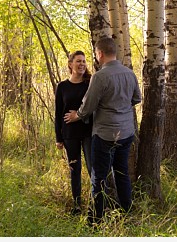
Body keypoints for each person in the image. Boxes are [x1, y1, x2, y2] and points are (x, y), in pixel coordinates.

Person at [65, 36, 141, 224]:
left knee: (98, 177)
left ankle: (95, 221)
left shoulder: (100, 76)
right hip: (126, 133)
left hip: (105, 134)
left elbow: (88, 106)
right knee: (121, 172)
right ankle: (126, 212)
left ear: (100, 54)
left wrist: (77, 115)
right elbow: (136, 99)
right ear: (114, 52)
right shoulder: (129, 73)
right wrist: (121, 106)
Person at [55, 50, 93, 213]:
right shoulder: (62, 86)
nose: (82, 64)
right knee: (74, 169)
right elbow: (58, 113)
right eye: (78, 61)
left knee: (93, 168)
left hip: (88, 131)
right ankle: (77, 205)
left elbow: (94, 107)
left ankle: (95, 204)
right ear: (70, 64)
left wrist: (78, 115)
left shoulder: (90, 83)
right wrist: (59, 137)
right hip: (69, 134)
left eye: (84, 61)